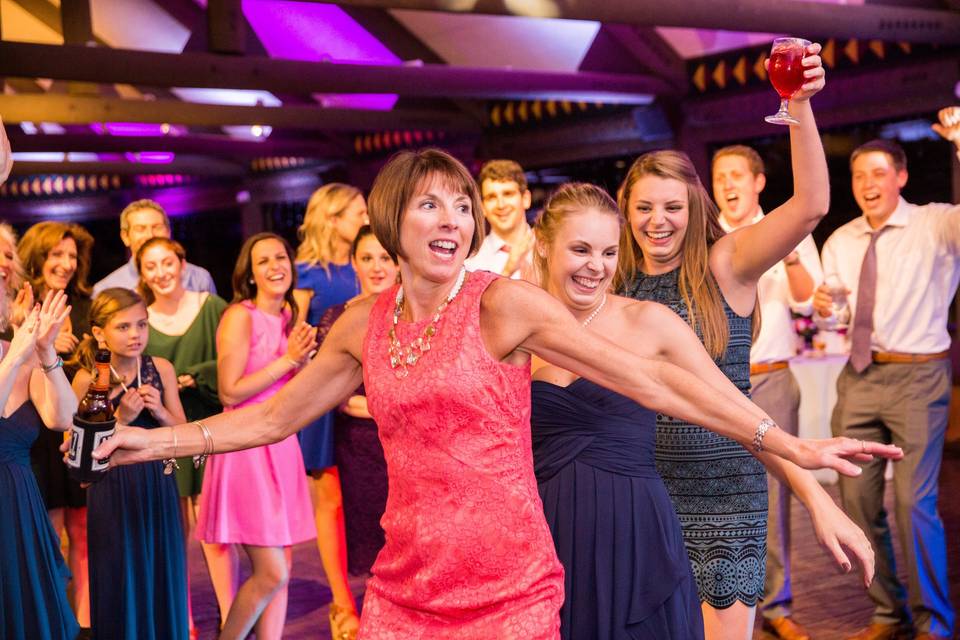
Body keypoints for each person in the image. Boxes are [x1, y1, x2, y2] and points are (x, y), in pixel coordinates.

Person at [91, 148, 901, 638]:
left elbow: (653, 380)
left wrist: (791, 445)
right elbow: (271, 414)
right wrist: (150, 441)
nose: (453, 218)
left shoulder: (503, 303)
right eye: (431, 203)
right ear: (390, 219)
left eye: (463, 205)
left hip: (511, 586)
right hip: (407, 585)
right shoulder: (359, 324)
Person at [617, 44, 839, 640]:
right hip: (643, 487)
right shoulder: (617, 279)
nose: (657, 220)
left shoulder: (726, 263)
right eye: (644, 207)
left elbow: (813, 204)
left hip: (725, 489)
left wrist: (797, 106)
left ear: (694, 206)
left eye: (672, 206)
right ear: (626, 211)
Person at [812, 112, 960, 640]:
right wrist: (825, 306)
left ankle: (933, 623)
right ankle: (887, 612)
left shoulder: (937, 224)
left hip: (919, 379)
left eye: (878, 174)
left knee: (913, 504)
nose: (868, 185)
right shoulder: (842, 241)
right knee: (856, 501)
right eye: (858, 177)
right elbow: (833, 316)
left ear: (900, 176)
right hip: (858, 378)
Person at [711, 144, 823, 640]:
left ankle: (775, 603)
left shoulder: (788, 224)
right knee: (715, 493)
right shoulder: (705, 234)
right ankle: (718, 599)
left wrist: (792, 254)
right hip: (715, 383)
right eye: (719, 177)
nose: (728, 185)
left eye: (737, 175)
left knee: (775, 495)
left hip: (771, 378)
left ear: (758, 182)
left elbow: (807, 300)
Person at [195, 233, 317, 640]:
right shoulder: (239, 316)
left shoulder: (289, 320)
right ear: (250, 274)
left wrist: (304, 366)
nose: (275, 266)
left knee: (282, 569)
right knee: (271, 572)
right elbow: (230, 390)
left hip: (281, 445)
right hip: (247, 445)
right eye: (263, 261)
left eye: (280, 257)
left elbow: (292, 388)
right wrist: (290, 360)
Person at [70, 288, 188, 640]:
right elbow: (79, 455)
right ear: (98, 333)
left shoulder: (160, 369)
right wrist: (120, 416)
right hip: (113, 490)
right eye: (123, 327)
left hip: (157, 486)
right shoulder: (86, 381)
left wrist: (161, 411)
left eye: (142, 325)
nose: (136, 334)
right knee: (120, 576)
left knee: (162, 573)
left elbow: (184, 435)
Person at [136, 236, 235, 636]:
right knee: (175, 533)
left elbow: (235, 354)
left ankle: (232, 617)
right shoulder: (141, 318)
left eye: (167, 262)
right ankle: (185, 620)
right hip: (165, 433)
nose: (161, 273)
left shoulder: (211, 307)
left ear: (182, 262)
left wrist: (199, 374)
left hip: (210, 428)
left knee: (216, 532)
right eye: (150, 266)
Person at [292, 183, 368, 638]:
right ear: (333, 218)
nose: (365, 216)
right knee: (332, 499)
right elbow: (296, 335)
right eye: (357, 211)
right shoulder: (307, 273)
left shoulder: (373, 258)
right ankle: (341, 601)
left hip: (372, 387)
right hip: (328, 393)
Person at [18, 219, 94, 628]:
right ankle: (54, 616)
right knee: (49, 530)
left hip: (75, 424)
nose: (65, 263)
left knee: (83, 526)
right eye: (56, 254)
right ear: (37, 256)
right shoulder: (20, 303)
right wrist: (45, 346)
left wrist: (74, 347)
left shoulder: (83, 304)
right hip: (34, 432)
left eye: (71, 256)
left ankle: (85, 623)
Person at [0, 280, 79, 640]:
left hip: (19, 502)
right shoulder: (15, 355)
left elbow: (63, 417)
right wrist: (16, 355)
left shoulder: (19, 355)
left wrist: (46, 352)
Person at [317, 225, 395, 577]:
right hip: (359, 446)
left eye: (385, 258)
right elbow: (338, 397)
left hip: (407, 444)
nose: (376, 267)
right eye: (367, 258)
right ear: (354, 264)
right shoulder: (337, 318)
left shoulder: (414, 314)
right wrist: (395, 406)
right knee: (372, 551)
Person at [92, 199, 216, 298]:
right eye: (140, 229)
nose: (150, 235)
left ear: (168, 232)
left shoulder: (199, 278)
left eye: (157, 227)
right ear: (125, 237)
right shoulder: (106, 290)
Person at [464, 158, 535, 279]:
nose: (501, 205)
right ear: (482, 207)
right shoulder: (470, 263)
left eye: (508, 194)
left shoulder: (550, 247)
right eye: (491, 197)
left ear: (526, 199)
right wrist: (508, 270)